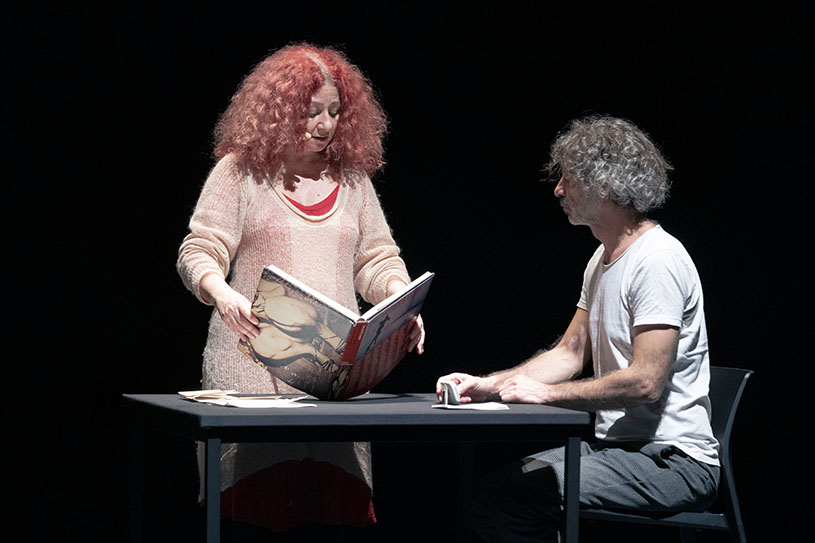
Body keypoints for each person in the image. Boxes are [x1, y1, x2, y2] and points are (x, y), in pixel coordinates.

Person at [177, 43, 425, 535]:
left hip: (332, 375)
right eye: (312, 111)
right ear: (279, 110)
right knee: (252, 515)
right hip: (253, 367)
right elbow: (198, 250)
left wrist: (401, 301)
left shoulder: (352, 181)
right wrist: (221, 293)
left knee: (327, 516)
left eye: (334, 111)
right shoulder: (241, 172)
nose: (325, 124)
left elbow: (377, 259)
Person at [436, 116, 719, 542]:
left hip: (673, 461)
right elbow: (569, 353)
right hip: (620, 450)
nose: (558, 190)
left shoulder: (657, 260)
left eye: (568, 178)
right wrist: (491, 385)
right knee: (488, 497)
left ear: (603, 184)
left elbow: (645, 382)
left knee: (511, 498)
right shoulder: (601, 260)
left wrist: (547, 395)